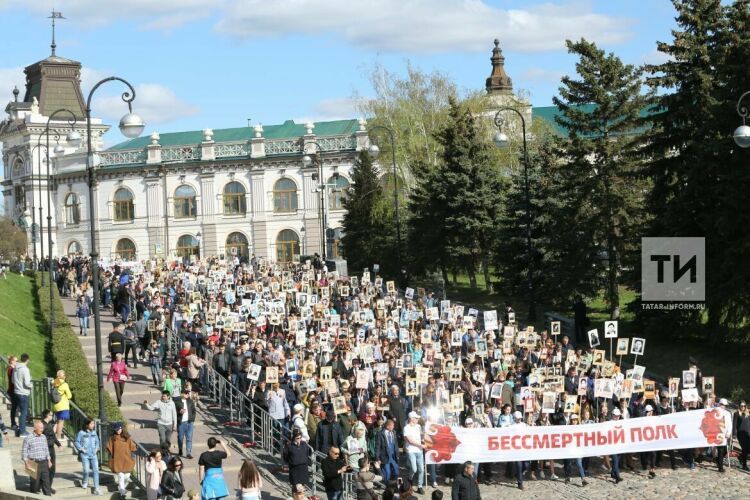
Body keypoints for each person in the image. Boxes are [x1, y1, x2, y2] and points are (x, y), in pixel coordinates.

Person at [22, 421, 52, 495]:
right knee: (34, 485)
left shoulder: (43, 437)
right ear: (35, 428)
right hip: (33, 463)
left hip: (44, 462)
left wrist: (49, 460)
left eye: (43, 428)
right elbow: (24, 452)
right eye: (41, 428)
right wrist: (27, 464)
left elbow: (46, 449)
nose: (42, 429)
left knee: (46, 484)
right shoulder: (28, 438)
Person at [107, 422, 136, 497]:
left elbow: (132, 447)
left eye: (119, 429)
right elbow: (109, 448)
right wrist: (111, 457)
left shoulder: (127, 437)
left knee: (127, 476)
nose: (118, 431)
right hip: (117, 460)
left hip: (127, 459)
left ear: (121, 428)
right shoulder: (112, 438)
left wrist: (133, 456)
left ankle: (122, 487)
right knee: (120, 476)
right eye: (116, 430)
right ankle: (122, 491)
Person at [75, 418, 103, 496]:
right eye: (91, 424)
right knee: (86, 470)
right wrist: (81, 449)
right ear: (87, 425)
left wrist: (97, 448)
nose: (93, 425)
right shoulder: (81, 433)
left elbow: (97, 441)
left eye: (93, 424)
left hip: (94, 455)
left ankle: (97, 488)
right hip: (85, 455)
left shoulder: (94, 432)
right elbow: (76, 442)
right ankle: (85, 482)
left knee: (96, 471)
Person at [403, 411, 425, 495]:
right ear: (411, 419)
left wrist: (423, 439)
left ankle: (420, 486)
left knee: (421, 469)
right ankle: (409, 480)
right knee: (414, 469)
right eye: (416, 418)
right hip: (411, 450)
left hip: (419, 450)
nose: (417, 419)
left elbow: (421, 435)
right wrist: (420, 445)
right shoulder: (406, 428)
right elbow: (409, 440)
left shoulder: (418, 426)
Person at [40, 410, 61, 493]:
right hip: (46, 449)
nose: (52, 416)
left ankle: (48, 486)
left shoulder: (49, 424)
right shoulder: (42, 425)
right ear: (46, 415)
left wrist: (59, 444)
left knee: (52, 469)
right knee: (48, 469)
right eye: (51, 415)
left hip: (51, 449)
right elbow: (42, 438)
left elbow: (52, 436)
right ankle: (46, 487)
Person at [13, 353, 32, 437]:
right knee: (23, 413)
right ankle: (22, 431)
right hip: (23, 393)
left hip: (16, 392)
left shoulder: (15, 368)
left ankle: (21, 429)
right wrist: (32, 385)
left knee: (21, 412)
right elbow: (27, 383)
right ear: (27, 360)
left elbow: (13, 381)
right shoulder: (25, 369)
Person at [51, 370, 72, 440]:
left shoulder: (54, 382)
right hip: (63, 406)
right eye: (64, 375)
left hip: (56, 405)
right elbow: (69, 396)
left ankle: (53, 434)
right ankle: (58, 437)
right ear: (61, 376)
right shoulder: (65, 384)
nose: (65, 376)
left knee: (58, 421)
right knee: (61, 422)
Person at [175, 388, 196, 459]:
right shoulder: (177, 402)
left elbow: (193, 411)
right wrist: (179, 412)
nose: (187, 394)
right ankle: (180, 449)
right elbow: (174, 412)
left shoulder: (190, 401)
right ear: (182, 394)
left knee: (189, 438)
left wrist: (192, 420)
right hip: (181, 423)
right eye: (186, 393)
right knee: (180, 438)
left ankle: (188, 453)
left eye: (188, 393)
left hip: (190, 422)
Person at [715, 398, 733, 473]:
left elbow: (729, 424)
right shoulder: (714, 411)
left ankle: (718, 460)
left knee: (724, 451)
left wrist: (729, 433)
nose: (723, 406)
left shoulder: (727, 413)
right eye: (722, 404)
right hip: (717, 434)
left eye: (724, 405)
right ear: (719, 404)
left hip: (725, 434)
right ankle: (720, 467)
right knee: (720, 450)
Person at [733, 400, 750, 470]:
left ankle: (740, 457)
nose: (743, 407)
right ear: (739, 406)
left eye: (744, 406)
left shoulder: (748, 413)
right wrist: (734, 433)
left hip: (748, 433)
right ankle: (744, 465)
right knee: (745, 448)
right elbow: (734, 424)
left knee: (748, 449)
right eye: (741, 406)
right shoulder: (736, 414)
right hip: (741, 434)